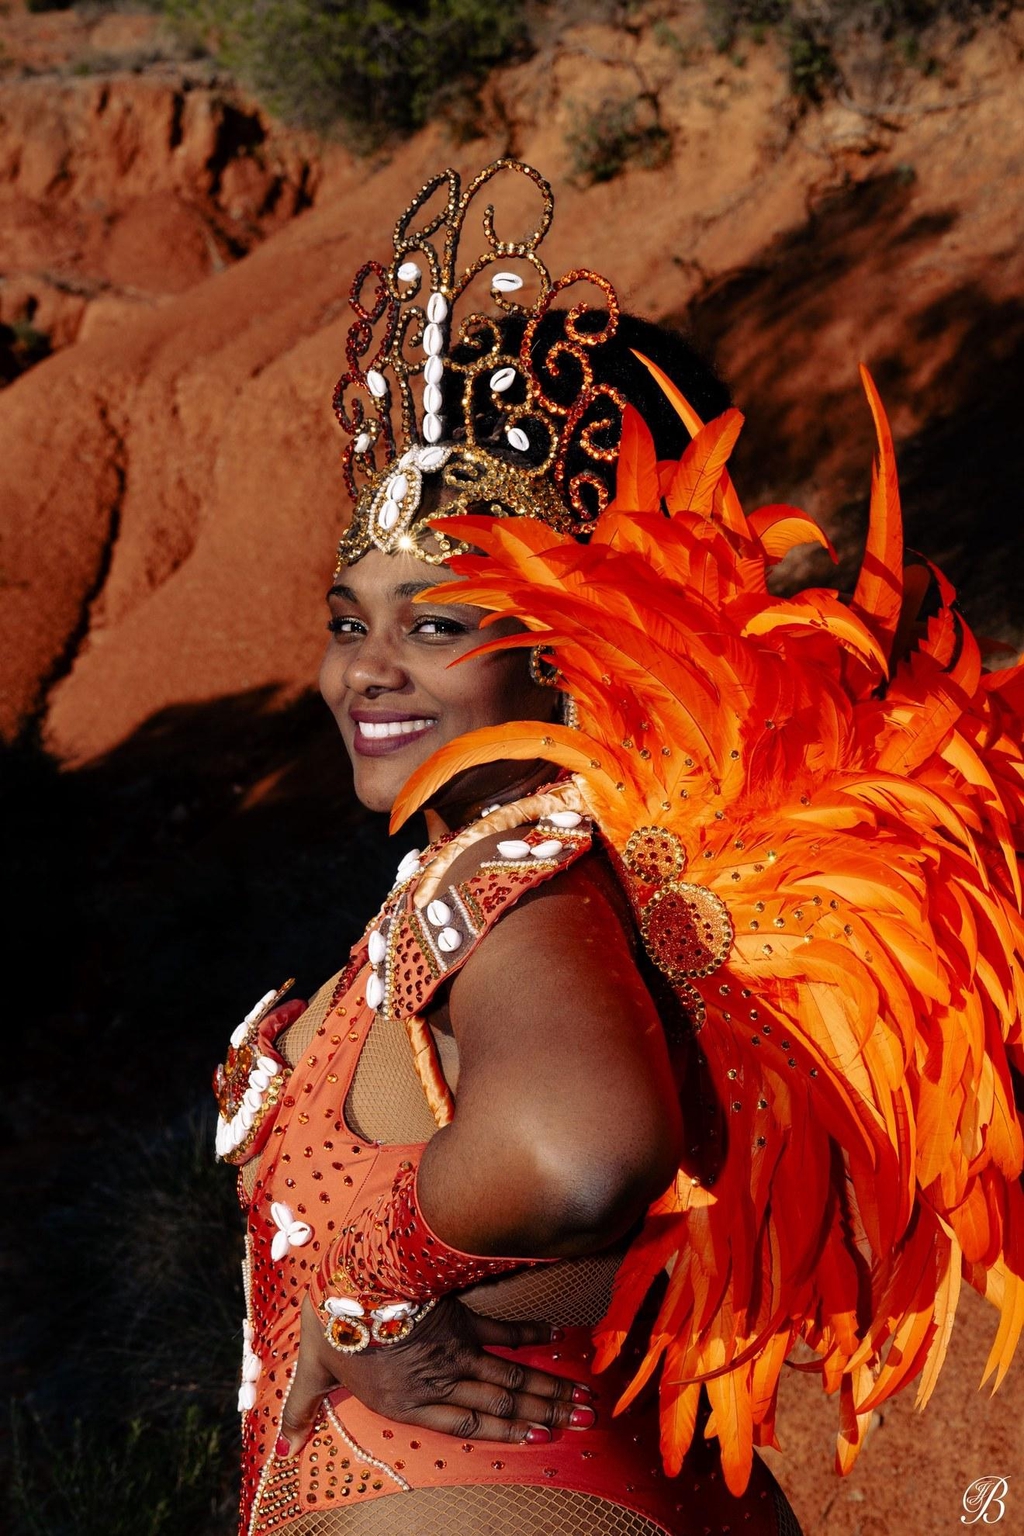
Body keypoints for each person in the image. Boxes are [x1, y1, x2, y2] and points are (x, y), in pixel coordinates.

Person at [213, 158, 1024, 1536]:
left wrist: (374, 1295)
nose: (367, 672)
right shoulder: (576, 890)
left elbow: (578, 1148)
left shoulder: (517, 878)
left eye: (438, 624)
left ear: (567, 644)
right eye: (353, 619)